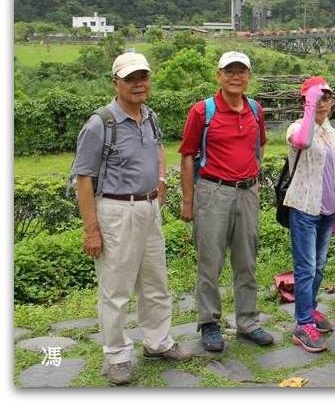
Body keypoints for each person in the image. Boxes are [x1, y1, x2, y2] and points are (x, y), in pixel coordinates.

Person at [73, 52, 190, 385]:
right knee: (116, 288)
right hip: (115, 211)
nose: (139, 84)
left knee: (155, 282)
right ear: (116, 83)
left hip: (149, 209)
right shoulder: (101, 123)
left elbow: (157, 150)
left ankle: (157, 341)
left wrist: (162, 180)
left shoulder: (150, 117)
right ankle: (116, 355)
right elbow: (83, 178)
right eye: (131, 78)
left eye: (143, 77)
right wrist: (91, 230)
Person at [179, 51, 273, 352]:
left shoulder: (255, 109)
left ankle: (247, 321)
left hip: (247, 192)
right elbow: (186, 157)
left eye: (241, 71)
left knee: (247, 260)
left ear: (248, 76)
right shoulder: (202, 111)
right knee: (210, 261)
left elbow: (260, 147)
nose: (236, 76)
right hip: (213, 191)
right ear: (218, 75)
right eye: (229, 71)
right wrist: (188, 200)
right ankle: (209, 323)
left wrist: (254, 181)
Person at [284, 76, 335, 352]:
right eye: (316, 98)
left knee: (318, 267)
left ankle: (310, 308)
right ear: (305, 101)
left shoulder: (331, 131)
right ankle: (302, 322)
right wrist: (310, 103)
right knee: (305, 269)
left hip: (328, 210)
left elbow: (333, 174)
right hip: (304, 208)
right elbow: (304, 142)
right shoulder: (297, 128)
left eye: (325, 98)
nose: (321, 103)